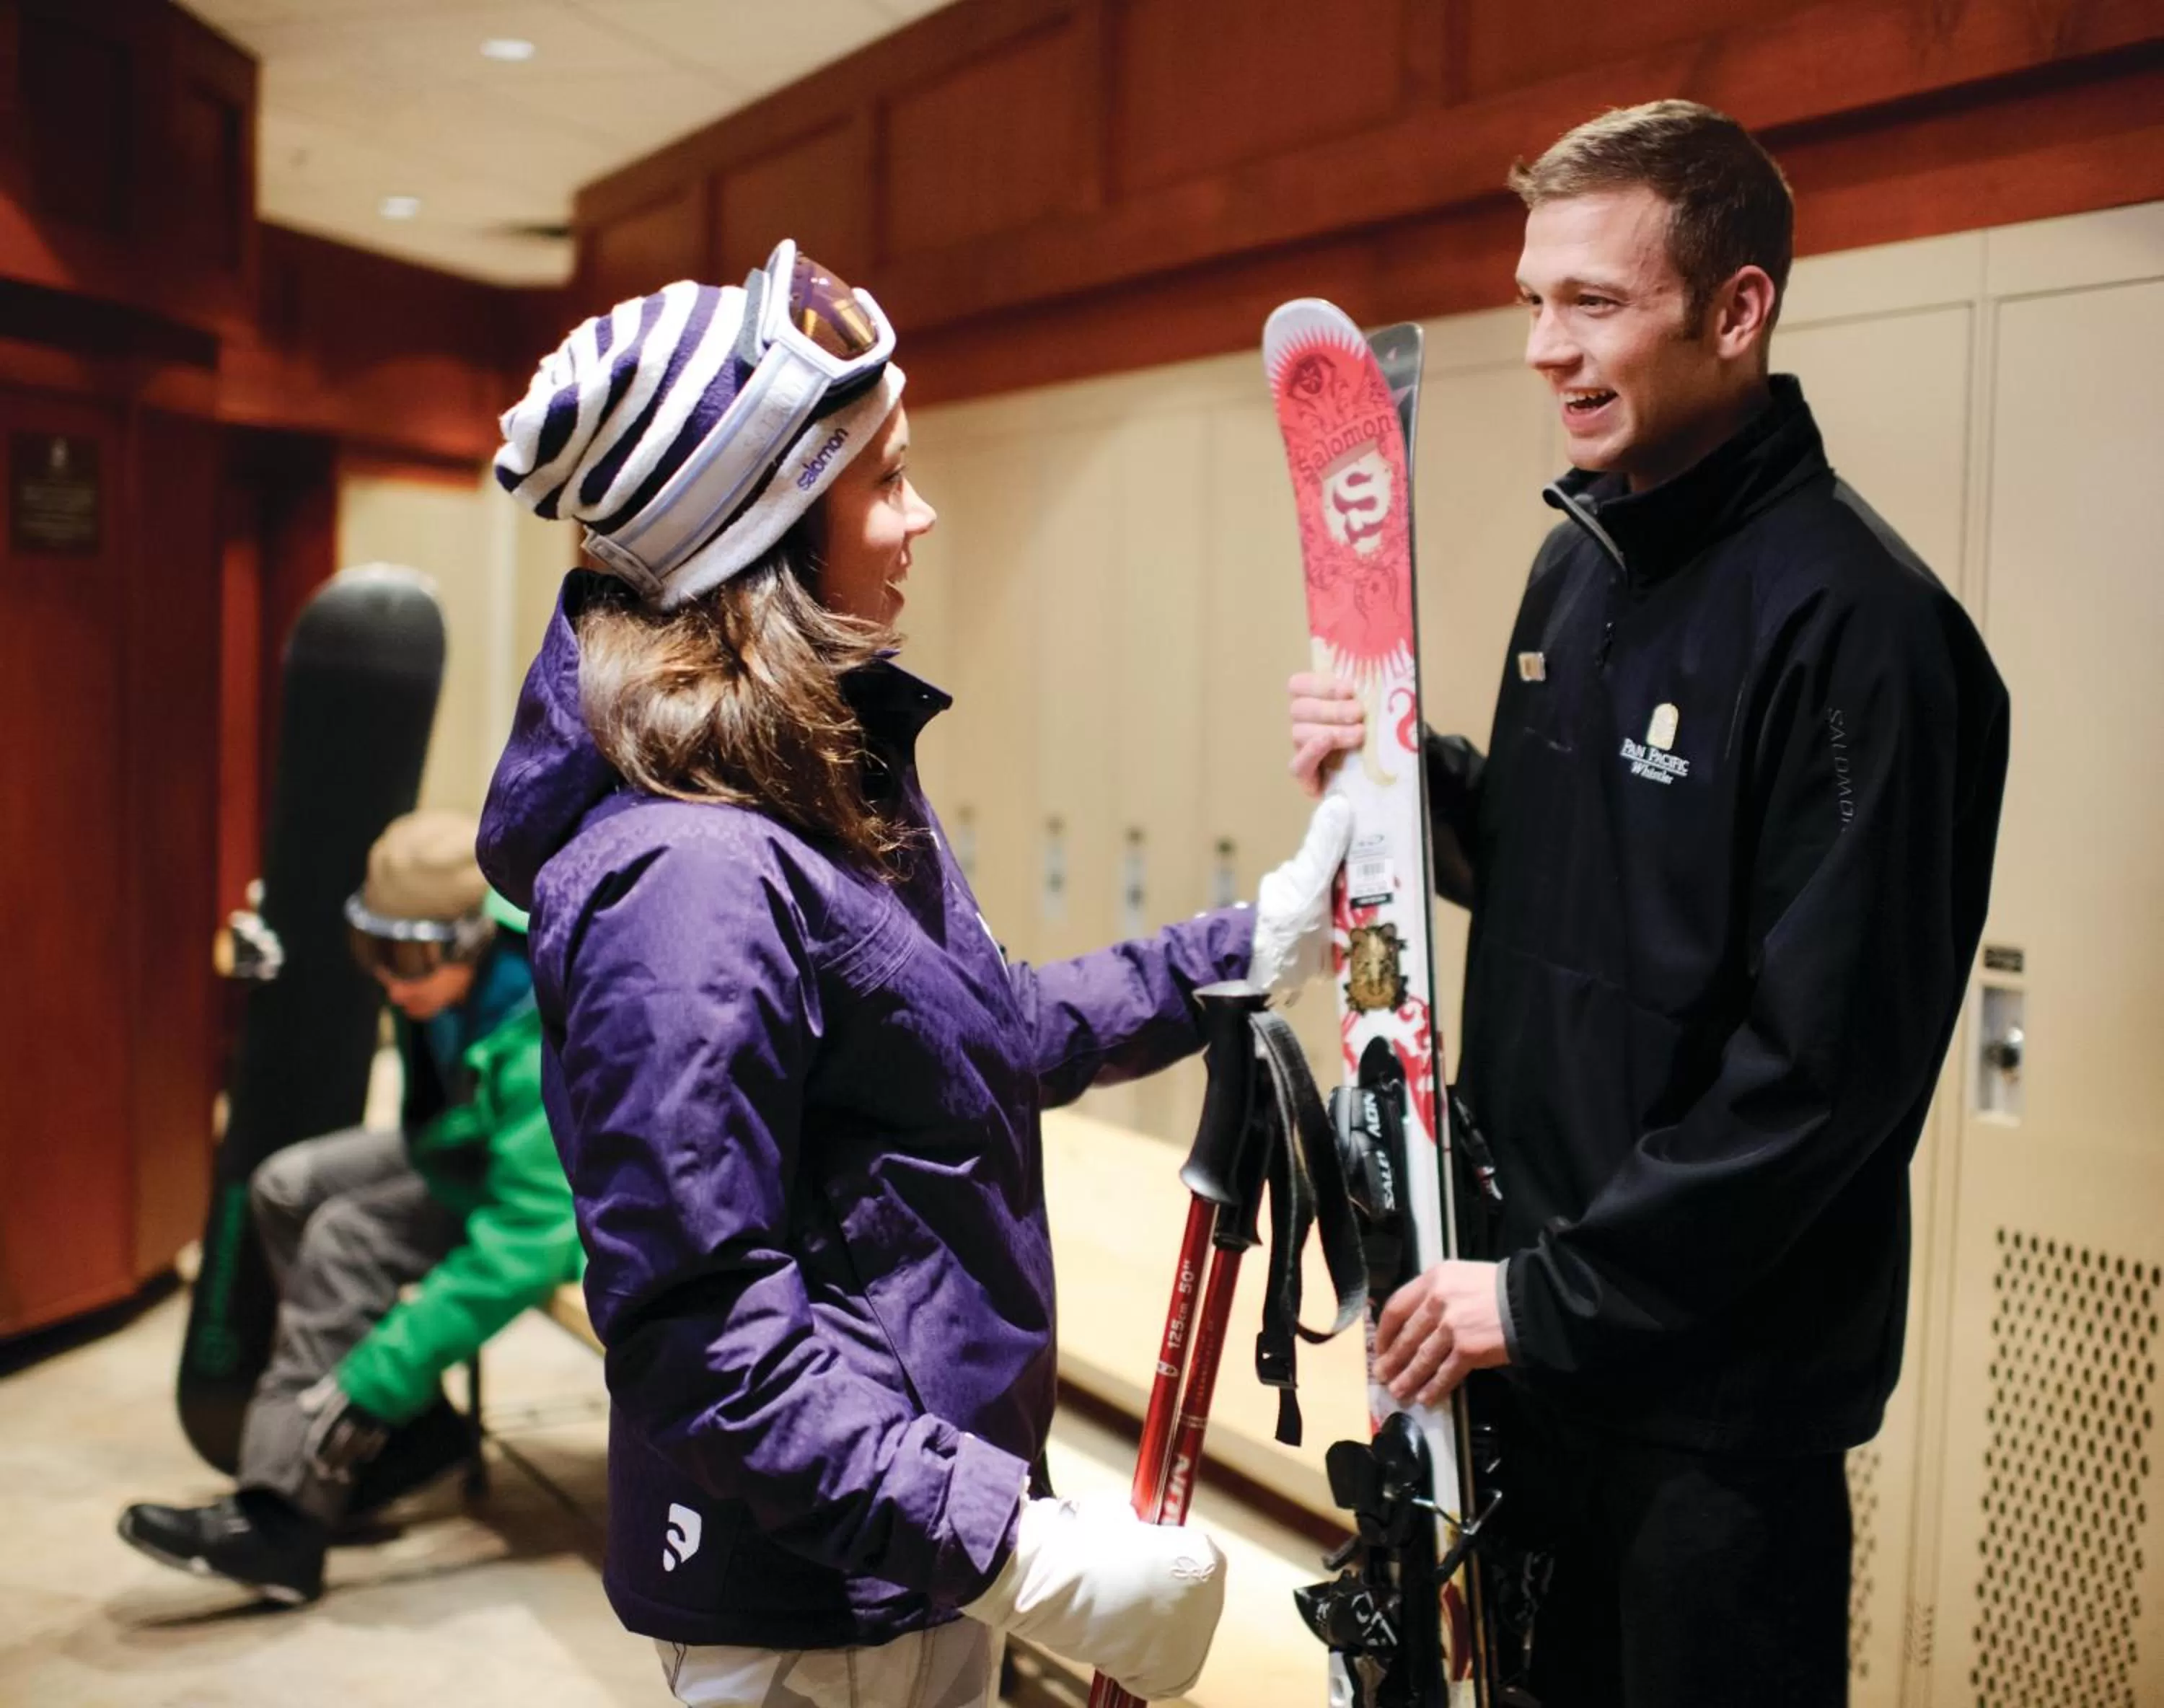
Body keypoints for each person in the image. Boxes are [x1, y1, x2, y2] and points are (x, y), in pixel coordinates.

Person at [477, 242, 1348, 1707]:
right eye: (882, 477)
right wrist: (1017, 1549)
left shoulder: (806, 777)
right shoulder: (689, 877)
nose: (922, 513)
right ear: (758, 532)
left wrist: (1237, 947)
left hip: (904, 1535)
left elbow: (972, 1034)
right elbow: (704, 1326)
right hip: (820, 1593)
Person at [1289, 101, 2008, 1704]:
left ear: (1737, 311)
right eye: (1534, 298)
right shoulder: (1581, 569)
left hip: (1711, 1418)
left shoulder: (1862, 633)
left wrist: (1551, 1294)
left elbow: (1822, 1073)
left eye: (1593, 303)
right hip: (1526, 1359)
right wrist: (1399, 782)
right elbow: (1559, 869)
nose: (1545, 346)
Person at [120, 811, 584, 1606]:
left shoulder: (531, 1022)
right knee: (286, 1184)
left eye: (409, 958)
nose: (392, 981)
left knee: (345, 1237)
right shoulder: (441, 990)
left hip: (549, 1202)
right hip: (465, 1148)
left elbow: (530, 1237)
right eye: (375, 952)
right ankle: (409, 1442)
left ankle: (284, 1520)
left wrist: (377, 1377)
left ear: (471, 942)